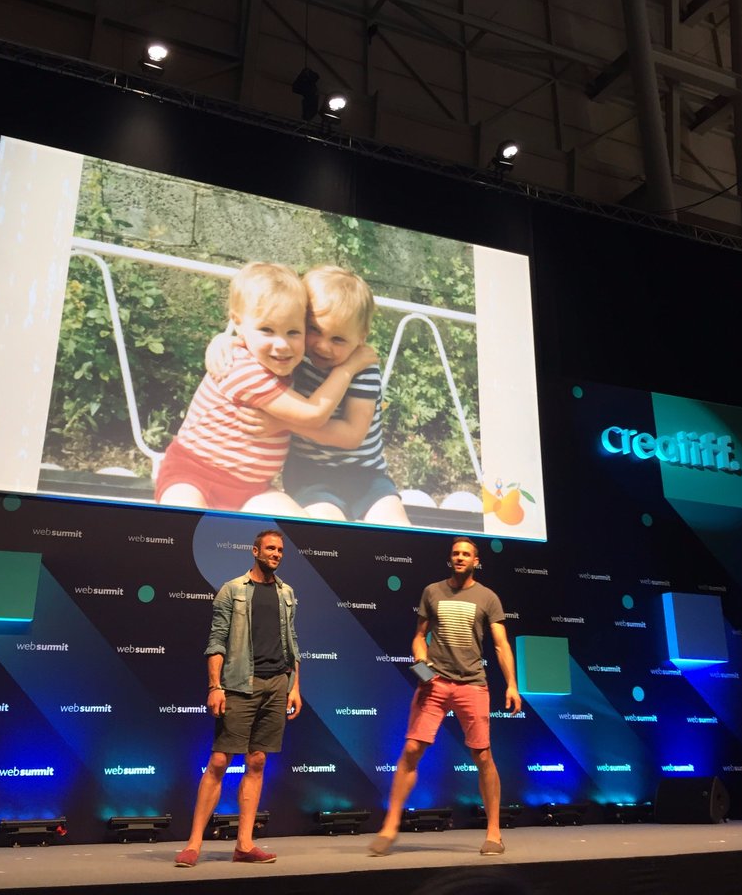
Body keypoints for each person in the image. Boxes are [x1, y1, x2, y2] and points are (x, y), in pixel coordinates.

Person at [155, 261, 375, 513]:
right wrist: (347, 368)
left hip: (253, 488)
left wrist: (221, 339)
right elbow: (313, 414)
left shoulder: (283, 362)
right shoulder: (240, 367)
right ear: (238, 323)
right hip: (193, 474)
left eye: (293, 332)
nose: (281, 344)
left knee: (298, 526)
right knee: (184, 517)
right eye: (267, 330)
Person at [213, 264, 410, 526]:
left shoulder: (363, 369)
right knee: (327, 527)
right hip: (309, 472)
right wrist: (221, 342)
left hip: (365, 474)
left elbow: (351, 435)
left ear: (361, 338)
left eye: (338, 339)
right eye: (314, 329)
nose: (322, 345)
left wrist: (284, 423)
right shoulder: (294, 355)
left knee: (395, 526)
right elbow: (252, 342)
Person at [370, 537, 522, 858]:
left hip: (472, 684)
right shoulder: (432, 591)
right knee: (411, 749)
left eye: (466, 554)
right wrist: (422, 664)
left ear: (476, 561)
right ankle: (390, 826)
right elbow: (418, 638)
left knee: (483, 757)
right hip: (435, 682)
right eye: (455, 553)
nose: (460, 557)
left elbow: (500, 645)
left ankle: (493, 833)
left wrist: (512, 684)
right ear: (450, 559)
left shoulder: (488, 598)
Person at [174, 529, 300, 867]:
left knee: (257, 761)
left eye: (280, 550)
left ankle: (244, 844)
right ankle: (193, 843)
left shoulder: (286, 593)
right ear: (255, 551)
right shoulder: (232, 590)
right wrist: (215, 686)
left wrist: (295, 686)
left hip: (277, 685)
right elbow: (216, 641)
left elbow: (293, 643)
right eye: (270, 548)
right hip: (240, 685)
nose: (276, 554)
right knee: (218, 762)